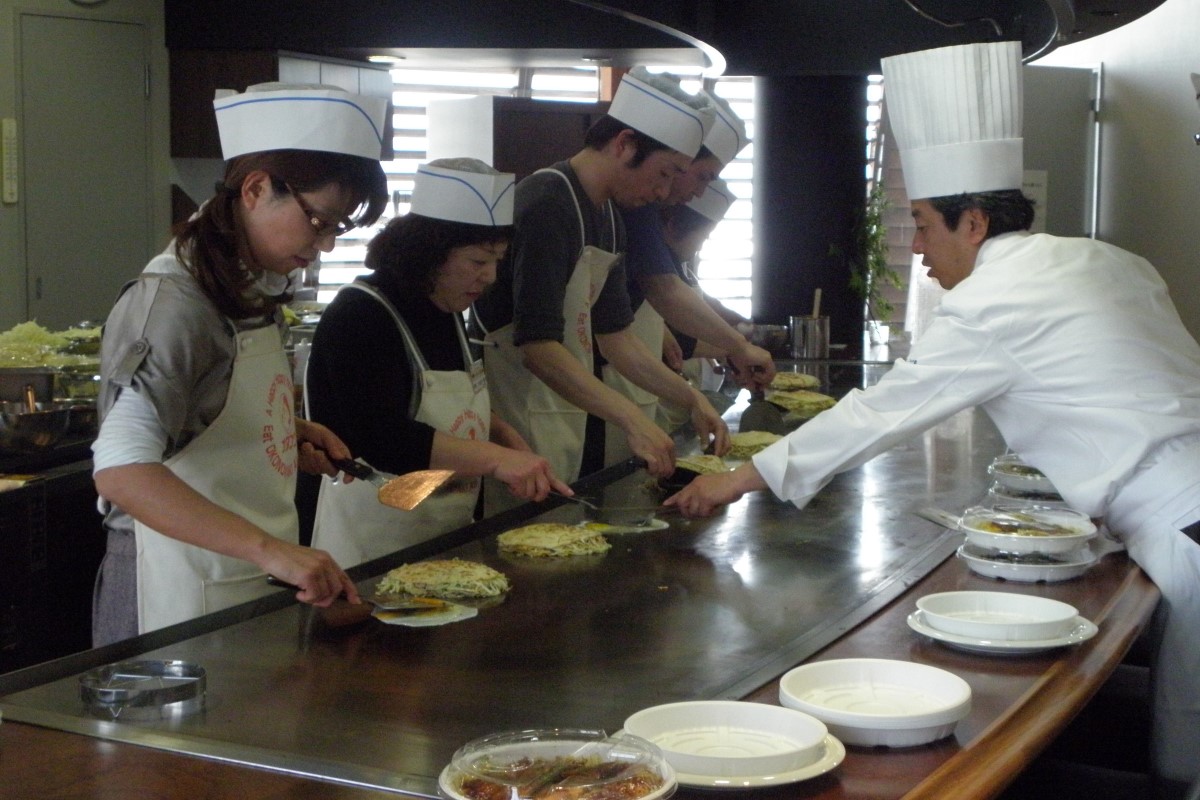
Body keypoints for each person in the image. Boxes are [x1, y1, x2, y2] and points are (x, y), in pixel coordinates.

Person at [663, 41, 1200, 792]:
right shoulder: (1107, 259)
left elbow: (883, 413)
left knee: (1188, 763)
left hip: (1184, 531)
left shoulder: (992, 301)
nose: (916, 249)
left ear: (973, 222)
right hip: (1179, 514)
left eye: (922, 224)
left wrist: (737, 480)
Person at [91, 83, 390, 644]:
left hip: (236, 577)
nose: (323, 245)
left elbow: (202, 414)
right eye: (319, 221)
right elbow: (122, 470)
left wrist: (278, 433)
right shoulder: (176, 303)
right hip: (170, 584)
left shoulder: (248, 283)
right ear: (255, 189)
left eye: (336, 228)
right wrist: (271, 549)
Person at [305, 158, 572, 568]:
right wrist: (495, 460)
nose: (491, 277)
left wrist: (503, 435)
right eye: (479, 262)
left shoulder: (445, 310)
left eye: (497, 261)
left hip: (442, 539)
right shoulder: (361, 315)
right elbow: (381, 436)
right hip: (372, 548)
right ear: (428, 254)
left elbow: (451, 406)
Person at [471, 69, 730, 484]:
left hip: (558, 405)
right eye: (665, 173)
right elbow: (537, 346)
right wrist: (631, 418)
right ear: (625, 144)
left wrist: (691, 397)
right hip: (515, 401)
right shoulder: (547, 202)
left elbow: (617, 336)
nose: (665, 193)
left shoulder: (610, 215)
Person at [616, 82, 774, 427]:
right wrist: (738, 346)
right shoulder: (631, 207)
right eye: (700, 176)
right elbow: (665, 289)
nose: (699, 190)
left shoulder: (638, 210)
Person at [655, 179, 750, 430]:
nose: (702, 245)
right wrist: (734, 347)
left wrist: (738, 332)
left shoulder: (679, 261)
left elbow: (704, 303)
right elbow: (677, 338)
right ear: (673, 226)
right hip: (660, 391)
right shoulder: (654, 269)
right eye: (704, 236)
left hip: (685, 389)